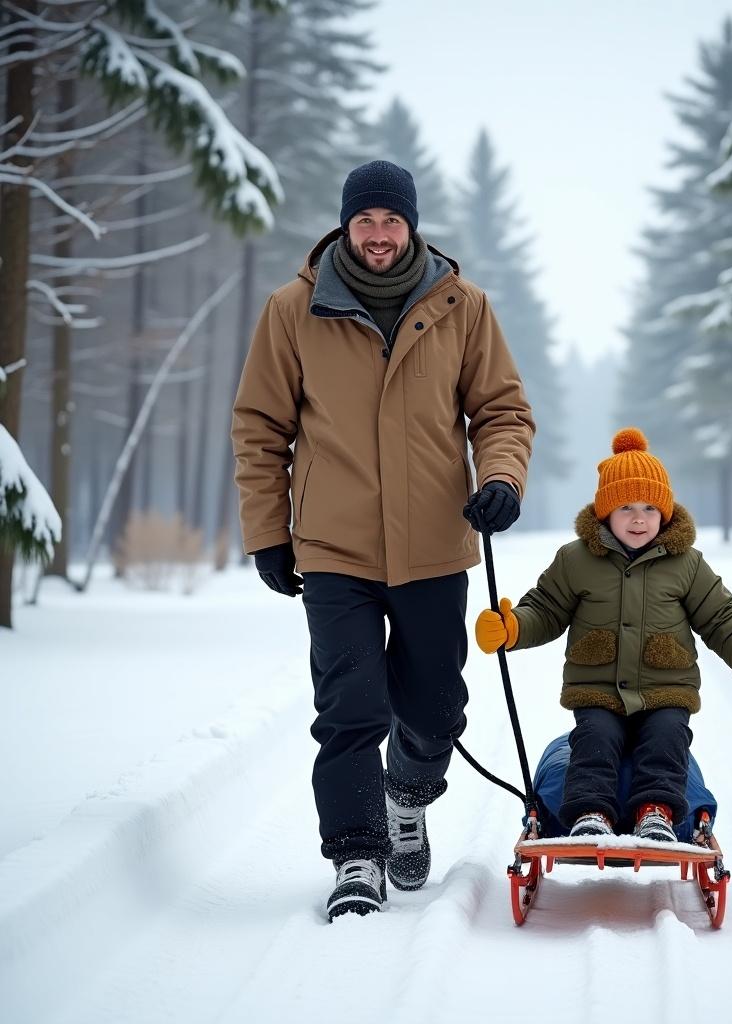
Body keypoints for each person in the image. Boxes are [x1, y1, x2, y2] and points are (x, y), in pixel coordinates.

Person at [232, 160, 535, 918]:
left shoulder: (462, 306)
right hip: (334, 548)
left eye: (390, 220)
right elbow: (260, 428)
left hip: (435, 541)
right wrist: (270, 534)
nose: (377, 233)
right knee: (349, 709)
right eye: (364, 220)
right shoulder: (292, 310)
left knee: (435, 709)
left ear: (411, 225)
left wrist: (501, 480)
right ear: (346, 224)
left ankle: (408, 796)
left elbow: (501, 411)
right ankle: (358, 856)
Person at [474, 427, 732, 843]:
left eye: (649, 508)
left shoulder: (687, 565)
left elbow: (721, 619)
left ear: (665, 512)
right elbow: (545, 609)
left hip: (666, 690)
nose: (639, 519)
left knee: (666, 741)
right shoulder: (576, 560)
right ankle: (590, 813)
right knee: (594, 741)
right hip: (597, 690)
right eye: (625, 507)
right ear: (605, 512)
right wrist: (513, 627)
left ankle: (655, 811)